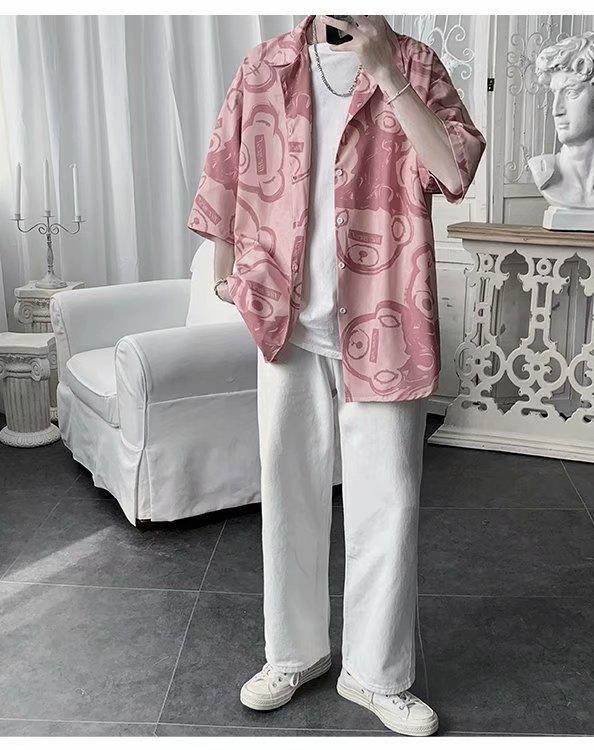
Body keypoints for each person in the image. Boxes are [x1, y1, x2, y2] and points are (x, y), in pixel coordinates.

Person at [187, 14, 486, 737]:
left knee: (390, 503)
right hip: (284, 316)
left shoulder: (416, 64)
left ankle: (377, 674)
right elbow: (225, 165)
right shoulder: (265, 65)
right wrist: (226, 276)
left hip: (384, 315)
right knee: (289, 493)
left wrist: (385, 73)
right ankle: (293, 654)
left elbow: (453, 171)